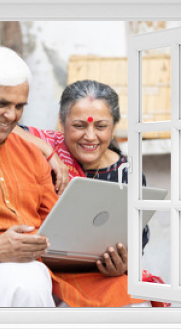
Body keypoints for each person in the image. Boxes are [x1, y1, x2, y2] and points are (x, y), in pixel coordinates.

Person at [0, 47, 163, 308]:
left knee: (129, 296)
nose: (11, 116)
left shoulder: (30, 152)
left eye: (19, 106)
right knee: (23, 277)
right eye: (1, 104)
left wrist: (101, 258)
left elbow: (55, 228)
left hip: (44, 273)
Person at [14, 79, 152, 251]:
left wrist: (123, 263)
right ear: (61, 123)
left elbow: (138, 238)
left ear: (114, 127)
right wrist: (50, 153)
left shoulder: (127, 173)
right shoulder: (46, 146)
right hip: (46, 261)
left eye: (101, 126)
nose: (90, 136)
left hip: (101, 271)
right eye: (79, 125)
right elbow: (5, 127)